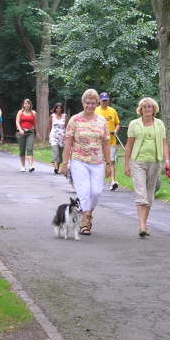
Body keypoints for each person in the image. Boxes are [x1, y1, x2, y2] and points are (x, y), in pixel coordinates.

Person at [60, 89, 112, 235]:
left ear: (97, 103)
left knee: (96, 192)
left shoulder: (101, 121)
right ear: (83, 103)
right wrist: (65, 163)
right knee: (84, 191)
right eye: (87, 103)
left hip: (97, 161)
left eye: (93, 103)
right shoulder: (74, 120)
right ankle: (85, 220)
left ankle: (87, 213)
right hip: (79, 161)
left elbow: (106, 144)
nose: (89, 105)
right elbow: (68, 143)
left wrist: (108, 164)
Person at [124, 97, 170, 238]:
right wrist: (126, 164)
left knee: (149, 195)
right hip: (137, 162)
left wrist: (167, 160)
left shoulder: (160, 124)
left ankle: (144, 224)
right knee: (141, 194)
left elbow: (164, 143)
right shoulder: (134, 124)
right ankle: (142, 226)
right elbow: (129, 145)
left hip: (155, 162)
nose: (147, 109)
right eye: (145, 107)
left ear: (154, 109)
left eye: (150, 106)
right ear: (141, 109)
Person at [95, 92, 121, 190]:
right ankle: (98, 181)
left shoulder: (112, 111)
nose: (105, 102)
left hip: (111, 141)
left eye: (106, 100)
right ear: (99, 101)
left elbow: (117, 123)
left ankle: (113, 181)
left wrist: (115, 130)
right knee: (99, 161)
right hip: (99, 141)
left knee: (111, 161)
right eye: (103, 100)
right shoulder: (96, 111)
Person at [15, 98, 37, 172]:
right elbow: (17, 122)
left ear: (30, 105)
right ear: (23, 105)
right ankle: (23, 166)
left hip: (30, 132)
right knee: (22, 150)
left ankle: (31, 166)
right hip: (21, 132)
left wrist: (36, 132)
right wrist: (20, 129)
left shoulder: (33, 113)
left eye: (28, 103)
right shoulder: (20, 112)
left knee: (30, 148)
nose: (27, 105)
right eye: (25, 103)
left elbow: (35, 123)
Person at [47, 102, 67, 174]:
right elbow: (49, 126)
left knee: (60, 154)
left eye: (60, 108)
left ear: (62, 109)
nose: (59, 109)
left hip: (62, 137)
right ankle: (55, 168)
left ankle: (57, 169)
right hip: (54, 136)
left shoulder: (65, 116)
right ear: (55, 109)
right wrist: (48, 135)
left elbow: (67, 127)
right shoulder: (52, 116)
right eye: (57, 108)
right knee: (55, 152)